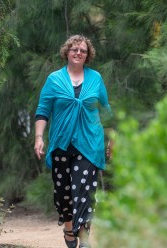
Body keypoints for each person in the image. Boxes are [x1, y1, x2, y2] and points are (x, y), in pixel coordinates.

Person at [34, 34, 113, 248]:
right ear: (67, 52)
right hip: (61, 143)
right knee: (63, 191)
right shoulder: (54, 79)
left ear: (88, 55)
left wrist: (112, 138)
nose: (78, 53)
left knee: (84, 190)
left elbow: (106, 111)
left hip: (89, 143)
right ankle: (69, 229)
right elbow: (43, 111)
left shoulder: (95, 78)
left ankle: (84, 237)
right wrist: (39, 137)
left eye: (83, 50)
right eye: (74, 49)